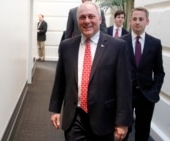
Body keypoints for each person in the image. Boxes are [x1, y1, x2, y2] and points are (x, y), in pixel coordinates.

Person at [49, 1, 132, 141]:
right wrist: (56, 109)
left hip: (104, 118)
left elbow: (124, 87)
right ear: (77, 20)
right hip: (74, 117)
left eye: (91, 16)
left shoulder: (117, 47)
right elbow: (61, 80)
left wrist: (122, 121)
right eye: (82, 17)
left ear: (100, 19)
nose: (87, 21)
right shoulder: (66, 47)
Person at [120, 7, 165, 141]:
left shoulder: (155, 44)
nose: (137, 22)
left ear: (147, 21)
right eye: (134, 19)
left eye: (141, 19)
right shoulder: (120, 42)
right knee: (122, 131)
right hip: (125, 96)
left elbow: (159, 72)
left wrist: (154, 91)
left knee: (143, 131)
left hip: (146, 96)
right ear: (130, 21)